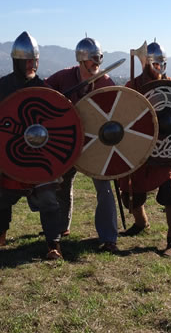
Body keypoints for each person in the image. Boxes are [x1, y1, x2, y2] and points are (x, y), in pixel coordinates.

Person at [0, 31, 63, 260]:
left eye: (34, 60)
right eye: (28, 61)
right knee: (1, 198)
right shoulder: (0, 87)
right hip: (8, 154)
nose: (32, 65)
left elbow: (57, 122)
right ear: (17, 61)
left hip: (38, 156)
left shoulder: (45, 88)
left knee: (48, 199)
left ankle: (53, 245)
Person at [45, 37, 119, 253]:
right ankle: (60, 228)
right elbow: (42, 93)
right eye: (93, 58)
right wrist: (59, 102)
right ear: (82, 59)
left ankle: (108, 238)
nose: (97, 62)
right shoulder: (64, 77)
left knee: (104, 189)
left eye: (100, 58)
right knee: (62, 184)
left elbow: (118, 111)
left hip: (97, 144)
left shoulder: (106, 82)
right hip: (68, 141)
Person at [119, 40, 171, 257]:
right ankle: (141, 223)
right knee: (129, 192)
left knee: (170, 191)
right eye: (155, 64)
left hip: (165, 148)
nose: (159, 68)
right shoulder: (132, 87)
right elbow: (123, 117)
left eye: (162, 64)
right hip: (139, 148)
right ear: (146, 63)